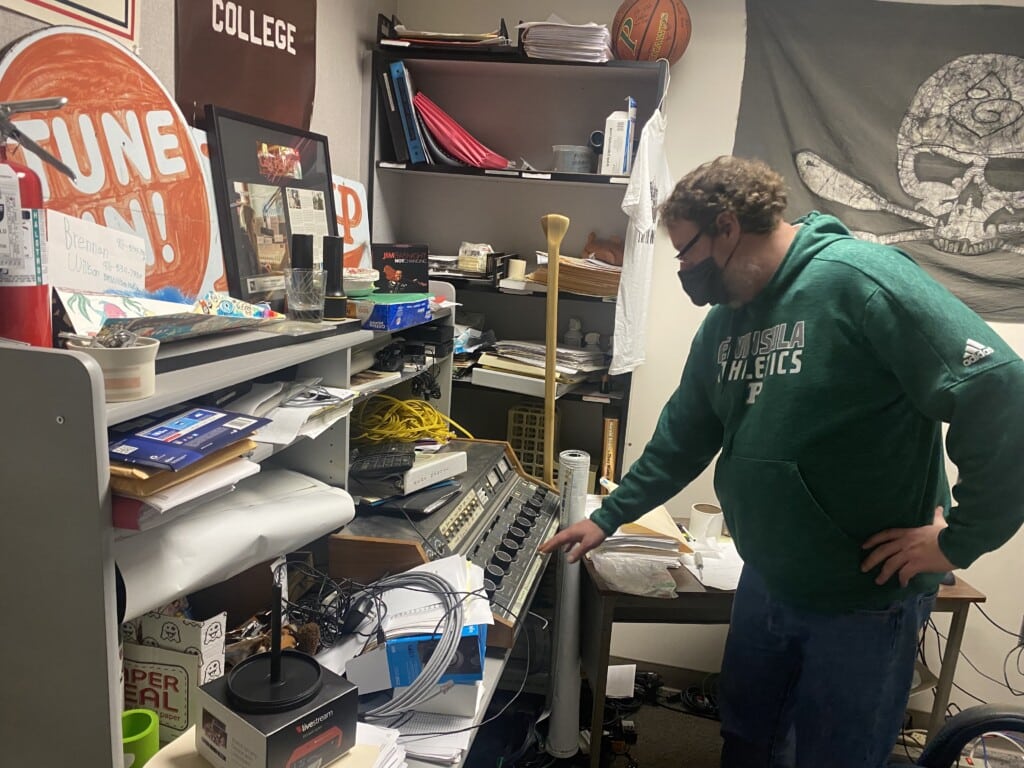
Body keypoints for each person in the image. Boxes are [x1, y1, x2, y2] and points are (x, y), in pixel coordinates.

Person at [539, 155, 1024, 767]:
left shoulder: (860, 278)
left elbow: (1000, 389)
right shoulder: (726, 324)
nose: (684, 269)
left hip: (864, 597)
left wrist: (959, 541)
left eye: (685, 251)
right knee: (747, 738)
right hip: (766, 580)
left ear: (726, 226)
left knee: (836, 755)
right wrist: (610, 516)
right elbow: (685, 434)